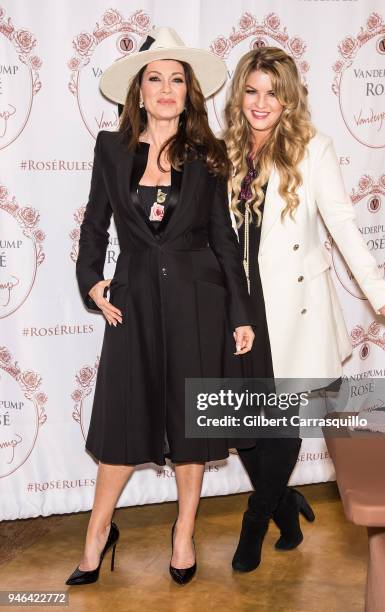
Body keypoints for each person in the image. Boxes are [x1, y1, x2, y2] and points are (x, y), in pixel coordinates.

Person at [223, 46, 385, 572]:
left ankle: (254, 520)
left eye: (273, 92)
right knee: (243, 425)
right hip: (239, 309)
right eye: (252, 90)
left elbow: (343, 227)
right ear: (239, 93)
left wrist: (381, 293)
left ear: (289, 100)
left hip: (297, 308)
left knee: (284, 426)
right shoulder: (221, 151)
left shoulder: (314, 148)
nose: (261, 102)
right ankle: (284, 502)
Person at [66, 26, 254, 587]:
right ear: (139, 92)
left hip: (200, 303)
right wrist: (91, 282)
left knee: (192, 424)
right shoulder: (110, 148)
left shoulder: (209, 155)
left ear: (188, 92)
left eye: (177, 80)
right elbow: (95, 224)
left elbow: (224, 239)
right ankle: (98, 534)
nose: (166, 89)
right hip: (135, 303)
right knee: (125, 422)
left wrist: (240, 313)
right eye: (156, 79)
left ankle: (184, 533)